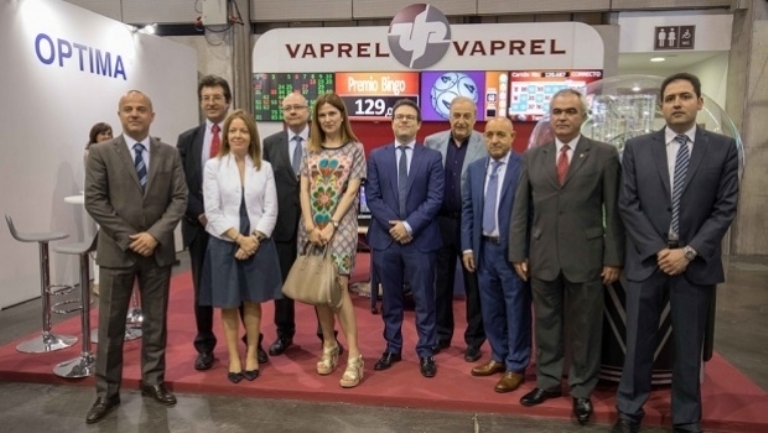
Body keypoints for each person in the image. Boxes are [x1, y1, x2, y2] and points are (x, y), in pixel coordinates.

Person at [612, 73, 739, 433]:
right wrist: (657, 250)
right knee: (637, 343)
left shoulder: (722, 149)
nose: (677, 103)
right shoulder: (637, 148)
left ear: (699, 102)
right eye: (670, 98)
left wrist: (689, 251)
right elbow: (628, 204)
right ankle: (629, 411)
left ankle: (686, 417)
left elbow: (725, 208)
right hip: (647, 261)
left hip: (695, 264)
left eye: (684, 96)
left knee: (688, 346)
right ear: (661, 107)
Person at [509, 88, 624, 424]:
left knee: (586, 327)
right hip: (542, 254)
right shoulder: (533, 157)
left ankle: (581, 390)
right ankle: (547, 382)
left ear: (583, 116)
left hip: (587, 256)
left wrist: (614, 258)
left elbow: (613, 211)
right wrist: (518, 252)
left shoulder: (604, 155)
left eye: (570, 111)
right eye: (557, 111)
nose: (562, 117)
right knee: (546, 323)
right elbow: (521, 210)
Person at [84, 90, 187, 424]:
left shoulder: (169, 153)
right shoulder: (100, 153)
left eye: (141, 109)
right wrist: (130, 238)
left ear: (152, 115)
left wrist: (154, 235)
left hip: (157, 251)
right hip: (118, 251)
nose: (134, 114)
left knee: (156, 322)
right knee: (111, 326)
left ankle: (153, 381)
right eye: (128, 109)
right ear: (119, 115)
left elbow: (179, 198)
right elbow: (95, 201)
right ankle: (107, 393)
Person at [176, 75, 269, 371]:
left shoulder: (241, 137)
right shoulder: (187, 140)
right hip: (200, 225)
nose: (211, 102)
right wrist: (203, 214)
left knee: (244, 288)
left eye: (217, 97)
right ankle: (205, 346)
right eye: (206, 98)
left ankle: (252, 344)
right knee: (204, 291)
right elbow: (181, 186)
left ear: (227, 101)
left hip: (240, 228)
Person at [200, 109, 282, 384]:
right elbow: (212, 211)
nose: (238, 135)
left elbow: (271, 209)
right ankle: (234, 356)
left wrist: (253, 239)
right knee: (228, 302)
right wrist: (239, 239)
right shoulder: (213, 166)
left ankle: (251, 353)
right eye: (233, 130)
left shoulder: (264, 167)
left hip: (258, 242)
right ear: (226, 135)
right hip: (225, 242)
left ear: (251, 136)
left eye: (243, 131)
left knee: (252, 300)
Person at [367, 99, 444, 378]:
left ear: (419, 124)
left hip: (420, 240)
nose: (404, 121)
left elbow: (435, 199)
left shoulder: (432, 158)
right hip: (386, 240)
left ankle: (426, 351)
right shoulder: (377, 156)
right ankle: (392, 347)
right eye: (399, 116)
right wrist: (395, 226)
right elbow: (372, 197)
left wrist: (409, 226)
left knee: (424, 300)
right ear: (391, 122)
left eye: (410, 117)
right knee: (390, 300)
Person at [262, 91, 342, 357]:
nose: (293, 112)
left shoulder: (324, 141)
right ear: (283, 114)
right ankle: (284, 333)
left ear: (308, 111)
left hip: (318, 225)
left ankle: (327, 335)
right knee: (283, 284)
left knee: (322, 281)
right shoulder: (270, 143)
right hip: (283, 226)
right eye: (288, 108)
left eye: (298, 107)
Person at [298, 92, 366, 388]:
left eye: (332, 114)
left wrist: (332, 225)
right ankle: (329, 344)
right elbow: (303, 188)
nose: (327, 119)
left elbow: (351, 191)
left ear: (342, 116)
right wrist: (310, 224)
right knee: (319, 290)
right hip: (311, 227)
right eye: (322, 115)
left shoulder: (355, 148)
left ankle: (355, 356)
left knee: (338, 288)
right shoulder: (309, 148)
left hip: (341, 227)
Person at [460, 117, 531, 393]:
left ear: (512, 136)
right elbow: (468, 210)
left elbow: (533, 213)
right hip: (483, 250)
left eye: (501, 134)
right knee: (490, 309)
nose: (495, 140)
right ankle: (499, 356)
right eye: (489, 135)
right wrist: (468, 247)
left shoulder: (524, 166)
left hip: (512, 252)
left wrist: (524, 251)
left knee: (516, 310)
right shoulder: (475, 169)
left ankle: (516, 364)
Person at [424, 96, 488, 362]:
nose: (461, 121)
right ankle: (441, 335)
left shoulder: (486, 143)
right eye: (456, 115)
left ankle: (474, 340)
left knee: (474, 285)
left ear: (475, 117)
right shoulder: (431, 142)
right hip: (440, 222)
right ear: (449, 116)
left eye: (466, 116)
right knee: (441, 283)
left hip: (471, 223)